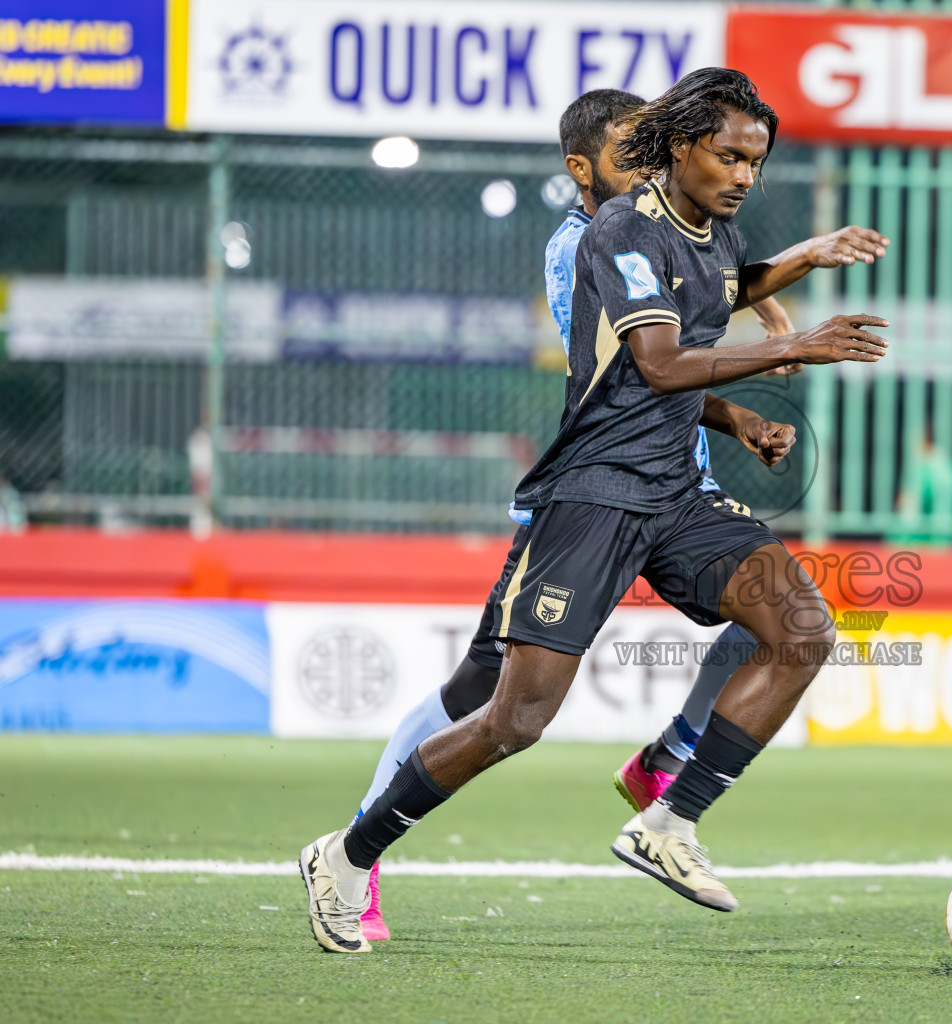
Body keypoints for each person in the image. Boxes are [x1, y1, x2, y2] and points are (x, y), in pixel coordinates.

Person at [300, 67, 892, 953]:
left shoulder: (714, 229)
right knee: (513, 719)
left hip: (676, 493)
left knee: (801, 626)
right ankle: (348, 856)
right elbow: (658, 362)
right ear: (684, 146)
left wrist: (806, 255)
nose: (743, 176)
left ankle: (669, 822)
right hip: (595, 491)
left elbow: (722, 292)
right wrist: (798, 345)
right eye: (730, 156)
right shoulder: (616, 229)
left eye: (755, 163)